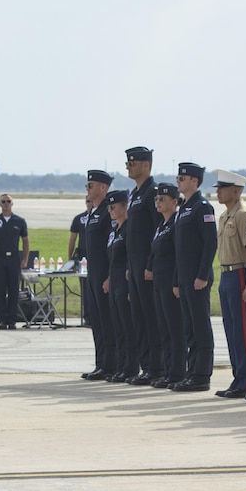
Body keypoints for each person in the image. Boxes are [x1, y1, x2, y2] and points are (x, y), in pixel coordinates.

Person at [172, 162, 218, 391]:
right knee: (189, 327)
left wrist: (202, 276)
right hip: (184, 278)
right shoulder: (184, 208)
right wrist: (176, 281)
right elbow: (178, 250)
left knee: (200, 327)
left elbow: (210, 244)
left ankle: (202, 375)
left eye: (183, 178)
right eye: (178, 178)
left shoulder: (202, 207)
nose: (179, 181)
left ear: (194, 181)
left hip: (197, 279)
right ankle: (191, 372)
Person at [213, 173, 246, 399]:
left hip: (240, 272)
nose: (219, 191)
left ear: (237, 190)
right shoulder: (224, 216)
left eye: (224, 187)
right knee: (231, 331)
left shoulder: (243, 215)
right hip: (226, 273)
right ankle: (238, 378)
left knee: (243, 331)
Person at [123, 146, 163, 384]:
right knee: (139, 318)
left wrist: (150, 264)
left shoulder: (152, 193)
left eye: (133, 163)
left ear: (146, 165)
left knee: (151, 319)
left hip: (148, 267)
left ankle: (156, 368)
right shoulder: (135, 193)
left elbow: (158, 231)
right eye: (128, 163)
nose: (128, 166)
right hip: (135, 265)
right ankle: (146, 366)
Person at [80, 170, 116, 378]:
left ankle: (110, 364)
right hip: (92, 274)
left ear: (103, 187)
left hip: (104, 274)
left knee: (106, 321)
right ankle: (101, 363)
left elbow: (111, 248)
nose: (88, 189)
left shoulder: (106, 212)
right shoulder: (92, 213)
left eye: (91, 185)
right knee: (96, 321)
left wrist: (109, 276)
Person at [149, 181, 185, 387]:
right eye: (156, 199)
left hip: (170, 282)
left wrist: (175, 281)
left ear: (174, 202)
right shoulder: (161, 225)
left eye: (162, 199)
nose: (158, 202)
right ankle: (168, 370)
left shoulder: (175, 223)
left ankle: (178, 372)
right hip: (158, 283)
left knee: (175, 329)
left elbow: (178, 255)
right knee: (164, 328)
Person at [0, 194, 29, 330]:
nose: (6, 204)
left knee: (14, 290)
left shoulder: (19, 221)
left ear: (12, 203)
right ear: (0, 204)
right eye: (3, 201)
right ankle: (3, 319)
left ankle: (12, 320)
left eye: (8, 201)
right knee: (0, 290)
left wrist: (25, 258)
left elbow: (25, 240)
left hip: (14, 258)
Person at [103, 189, 133, 379]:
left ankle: (130, 367)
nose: (110, 211)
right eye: (109, 207)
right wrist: (108, 278)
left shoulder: (129, 229)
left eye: (114, 207)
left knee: (127, 326)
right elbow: (112, 259)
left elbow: (130, 256)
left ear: (124, 207)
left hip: (124, 282)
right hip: (114, 282)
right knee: (118, 327)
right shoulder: (115, 231)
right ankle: (121, 367)